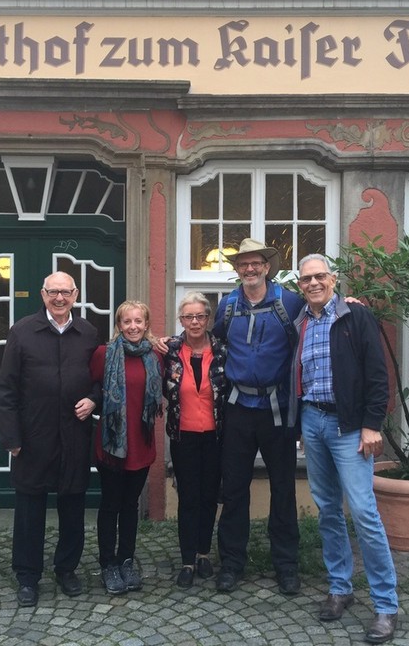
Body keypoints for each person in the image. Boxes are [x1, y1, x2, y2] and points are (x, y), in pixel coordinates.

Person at [291, 253, 399, 643]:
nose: (314, 283)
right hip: (313, 421)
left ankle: (386, 605)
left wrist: (373, 424)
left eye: (320, 276)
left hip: (350, 428)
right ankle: (341, 588)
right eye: (306, 279)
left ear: (333, 279)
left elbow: (377, 374)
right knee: (328, 511)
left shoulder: (356, 317)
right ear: (299, 284)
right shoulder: (300, 320)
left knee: (365, 512)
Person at [0, 272, 101, 608]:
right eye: (53, 292)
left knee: (72, 506)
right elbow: (7, 389)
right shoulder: (22, 331)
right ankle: (27, 577)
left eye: (65, 292)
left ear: (76, 294)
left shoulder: (88, 333)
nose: (59, 298)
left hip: (74, 434)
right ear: (43, 295)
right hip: (33, 436)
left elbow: (99, 380)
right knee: (29, 510)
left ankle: (66, 569)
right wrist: (11, 437)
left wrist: (94, 399)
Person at [212, 237, 305, 595]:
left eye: (256, 264)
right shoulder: (228, 306)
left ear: (267, 267)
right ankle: (232, 563)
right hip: (238, 410)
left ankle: (287, 566)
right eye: (242, 265)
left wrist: (352, 304)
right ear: (237, 269)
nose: (249, 270)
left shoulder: (290, 302)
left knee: (283, 489)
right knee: (234, 489)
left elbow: (317, 323)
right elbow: (212, 343)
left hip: (277, 410)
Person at [90, 300, 163, 595]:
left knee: (130, 505)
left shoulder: (154, 357)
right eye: (127, 322)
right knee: (110, 504)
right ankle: (108, 564)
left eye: (138, 321)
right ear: (118, 325)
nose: (133, 327)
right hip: (111, 443)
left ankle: (127, 561)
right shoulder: (104, 354)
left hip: (141, 443)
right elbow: (91, 387)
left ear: (146, 325)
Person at [163, 292, 228, 588]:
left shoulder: (223, 350)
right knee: (188, 497)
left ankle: (204, 553)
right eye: (188, 317)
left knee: (208, 496)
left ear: (208, 319)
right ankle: (188, 559)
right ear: (181, 320)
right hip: (183, 435)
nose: (194, 322)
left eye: (200, 316)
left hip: (216, 435)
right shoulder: (171, 351)